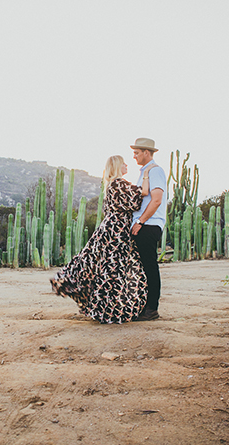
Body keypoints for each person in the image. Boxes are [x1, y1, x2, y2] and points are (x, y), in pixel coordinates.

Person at [50, 155, 151, 323]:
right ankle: (113, 311)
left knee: (107, 269)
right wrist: (146, 174)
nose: (127, 165)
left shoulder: (110, 185)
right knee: (116, 270)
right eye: (124, 163)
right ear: (118, 166)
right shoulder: (119, 183)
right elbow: (143, 193)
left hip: (109, 228)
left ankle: (107, 310)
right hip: (117, 230)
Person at [130, 138, 166, 321]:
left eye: (137, 152)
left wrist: (141, 221)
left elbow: (157, 199)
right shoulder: (145, 172)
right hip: (145, 224)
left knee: (149, 266)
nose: (134, 156)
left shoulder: (155, 171)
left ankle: (151, 309)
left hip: (149, 225)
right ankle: (145, 307)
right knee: (144, 267)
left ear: (146, 152)